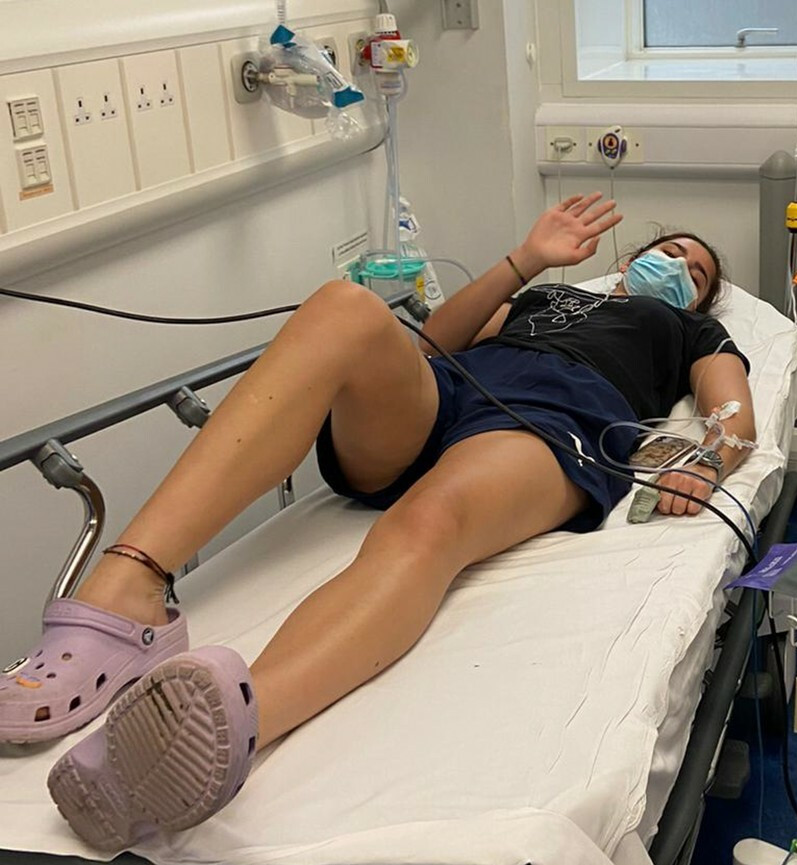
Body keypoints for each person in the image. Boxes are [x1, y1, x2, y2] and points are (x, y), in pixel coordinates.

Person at [0, 193, 756, 849]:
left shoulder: (685, 331)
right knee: (344, 307)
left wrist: (708, 458)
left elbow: (732, 415)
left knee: (431, 519)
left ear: (699, 302)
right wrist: (526, 260)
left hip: (547, 419)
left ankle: (216, 727)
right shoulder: (544, 296)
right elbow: (432, 343)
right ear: (628, 260)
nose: (676, 267)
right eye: (668, 252)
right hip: (444, 394)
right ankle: (126, 590)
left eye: (694, 273)